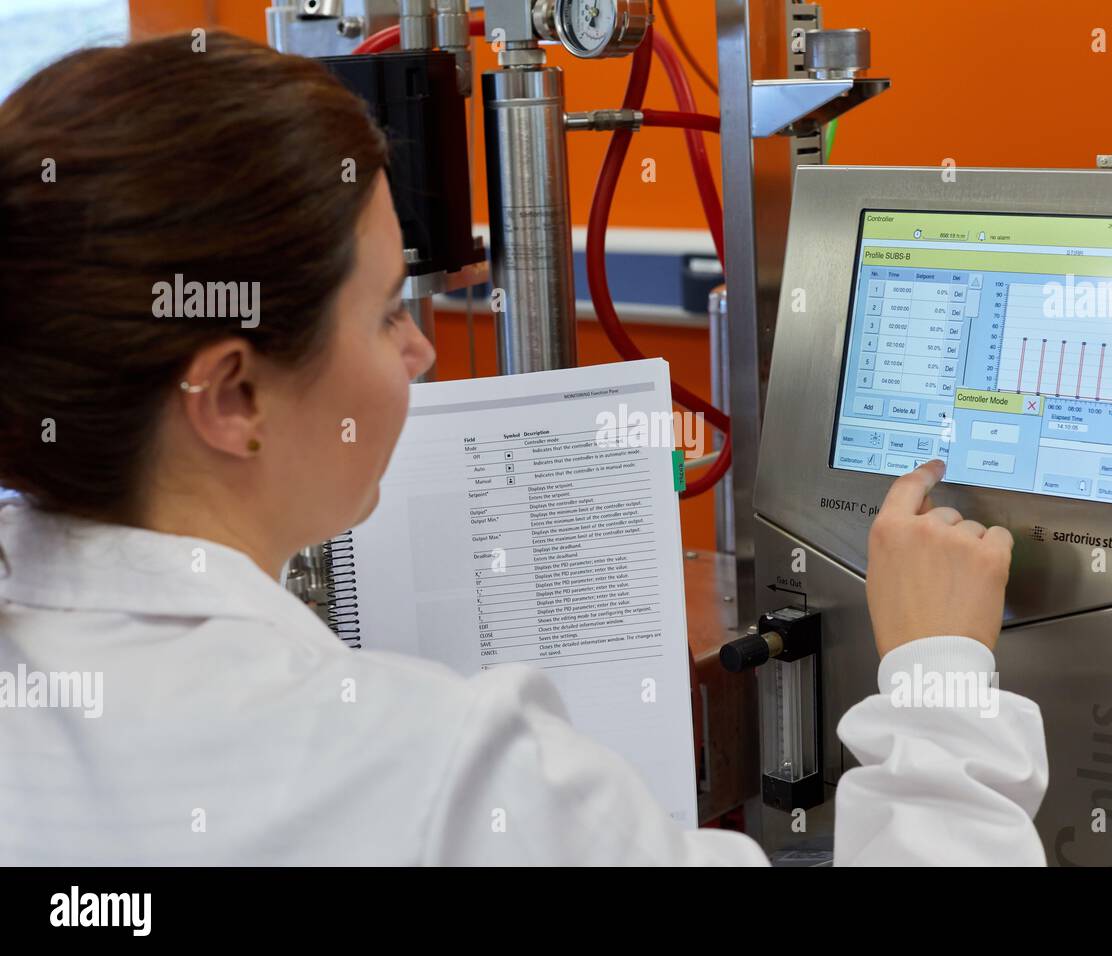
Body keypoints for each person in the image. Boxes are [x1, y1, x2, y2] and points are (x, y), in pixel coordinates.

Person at [0, 32, 1046, 865]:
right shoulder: (435, 776)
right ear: (231, 395)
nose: (416, 352)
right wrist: (938, 681)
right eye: (379, 315)